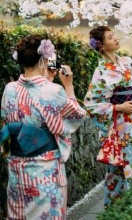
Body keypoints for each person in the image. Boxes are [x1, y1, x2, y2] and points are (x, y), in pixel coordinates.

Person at [1, 35, 86, 219]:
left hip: (17, 170)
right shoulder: (53, 90)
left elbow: (6, 120)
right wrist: (68, 86)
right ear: (44, 59)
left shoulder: (9, 88)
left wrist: (47, 80)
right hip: (45, 171)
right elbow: (75, 117)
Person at [84, 26, 132, 207]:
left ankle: (129, 208)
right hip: (118, 124)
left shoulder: (128, 62)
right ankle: (117, 209)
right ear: (101, 46)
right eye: (110, 37)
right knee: (116, 168)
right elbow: (92, 103)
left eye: (114, 35)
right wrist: (117, 107)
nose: (115, 38)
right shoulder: (101, 70)